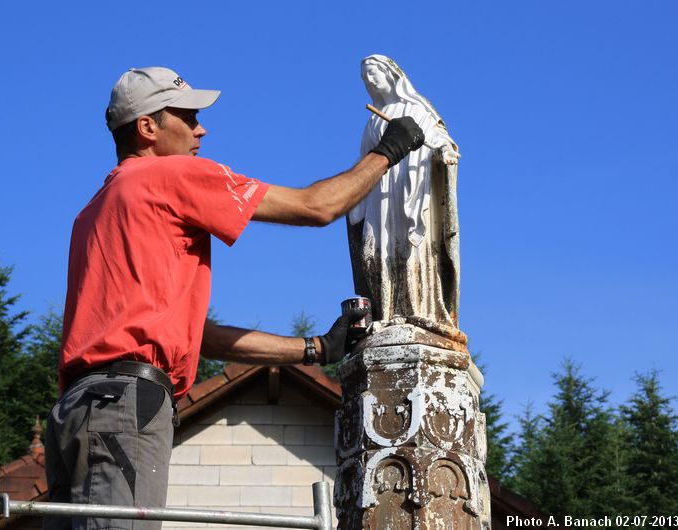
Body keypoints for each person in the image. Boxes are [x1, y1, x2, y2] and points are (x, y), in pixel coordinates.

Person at [43, 66, 424, 530]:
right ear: (147, 127)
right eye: (186, 116)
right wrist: (389, 151)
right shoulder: (170, 175)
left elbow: (195, 337)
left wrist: (315, 349)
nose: (201, 128)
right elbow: (315, 206)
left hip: (74, 413)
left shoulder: (95, 210)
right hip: (126, 405)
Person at [347, 54, 461, 327]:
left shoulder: (417, 110)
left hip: (411, 189)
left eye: (373, 73)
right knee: (373, 251)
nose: (369, 81)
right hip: (380, 194)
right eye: (365, 78)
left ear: (391, 76)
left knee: (409, 246)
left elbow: (440, 140)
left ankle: (416, 310)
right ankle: (385, 312)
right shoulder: (373, 122)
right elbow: (364, 162)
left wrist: (444, 152)